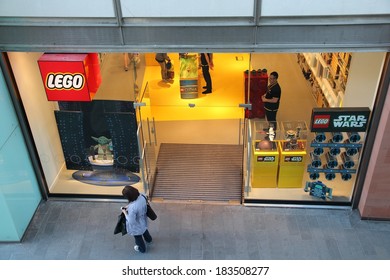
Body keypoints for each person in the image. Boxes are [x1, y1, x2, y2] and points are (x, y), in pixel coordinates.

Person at [121, 185, 153, 253]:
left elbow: (131, 221)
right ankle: (149, 239)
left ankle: (142, 249)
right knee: (144, 229)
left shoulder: (132, 208)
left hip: (137, 225)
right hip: (143, 219)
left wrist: (124, 212)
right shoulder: (142, 195)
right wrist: (129, 206)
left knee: (138, 237)